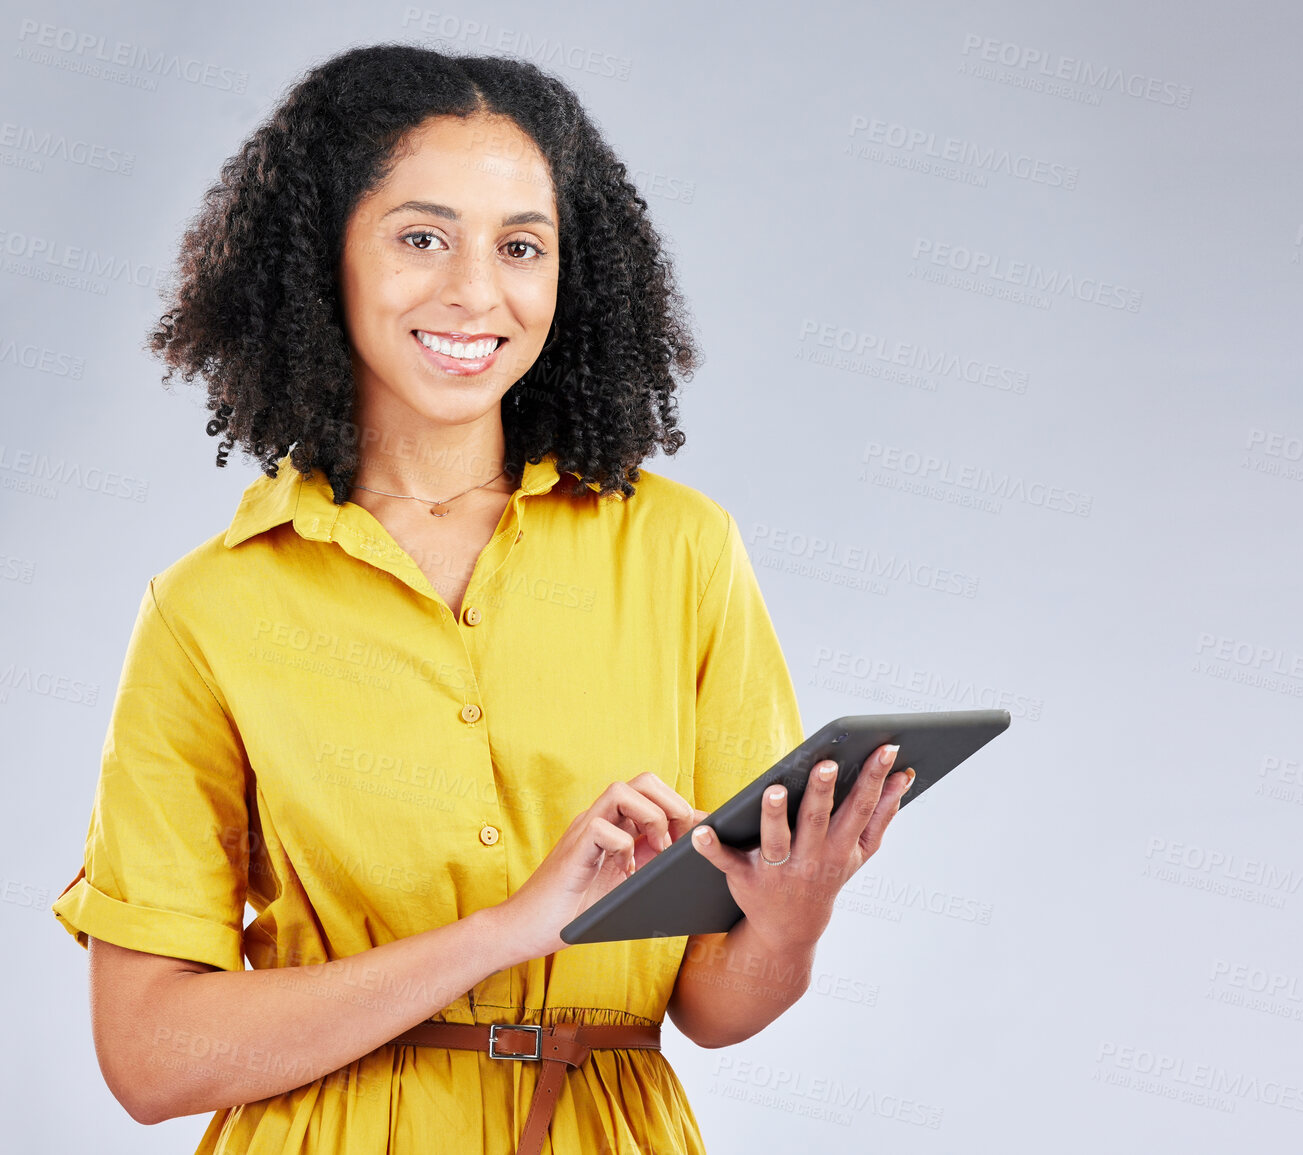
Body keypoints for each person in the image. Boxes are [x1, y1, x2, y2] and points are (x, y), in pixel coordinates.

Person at [49, 43, 914, 1155]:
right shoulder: (209, 607)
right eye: (421, 238)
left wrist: (794, 918)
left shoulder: (681, 550)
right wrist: (505, 934)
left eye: (520, 247)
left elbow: (713, 1006)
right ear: (325, 261)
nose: (475, 291)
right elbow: (150, 1059)